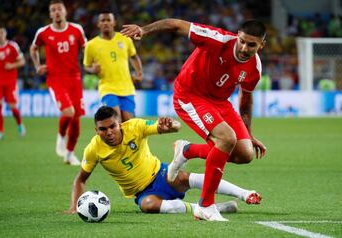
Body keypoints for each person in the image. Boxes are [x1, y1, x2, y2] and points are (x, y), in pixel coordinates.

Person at [121, 18, 267, 221]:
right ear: (237, 36)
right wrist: (143, 29)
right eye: (242, 41)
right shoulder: (217, 39)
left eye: (252, 44)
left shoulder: (254, 68)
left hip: (220, 102)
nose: (244, 48)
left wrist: (249, 134)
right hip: (190, 96)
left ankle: (187, 150)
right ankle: (205, 205)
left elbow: (246, 100)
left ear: (261, 45)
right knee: (226, 139)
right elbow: (175, 24)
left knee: (245, 154)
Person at [64, 106, 261, 218]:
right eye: (102, 129)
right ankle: (211, 208)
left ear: (119, 123)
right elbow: (80, 179)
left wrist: (171, 125)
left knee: (184, 177)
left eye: (112, 127)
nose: (108, 132)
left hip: (161, 174)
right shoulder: (93, 149)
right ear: (96, 130)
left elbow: (176, 126)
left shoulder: (135, 126)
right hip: (142, 193)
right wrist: (74, 206)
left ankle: (244, 193)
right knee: (148, 206)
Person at [30, 0, 87, 165]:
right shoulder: (43, 32)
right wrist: (37, 65)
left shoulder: (77, 29)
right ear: (50, 14)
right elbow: (33, 48)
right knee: (69, 112)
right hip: (55, 78)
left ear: (65, 12)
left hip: (75, 78)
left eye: (59, 9)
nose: (56, 12)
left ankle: (69, 154)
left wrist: (92, 63)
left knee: (76, 119)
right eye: (53, 10)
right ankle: (61, 136)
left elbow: (86, 47)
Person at [83, 11, 143, 122]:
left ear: (114, 23)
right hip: (107, 88)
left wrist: (139, 73)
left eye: (108, 20)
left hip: (127, 87)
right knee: (115, 120)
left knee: (128, 123)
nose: (105, 23)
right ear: (98, 24)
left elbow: (134, 56)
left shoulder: (125, 39)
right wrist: (92, 69)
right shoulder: (91, 45)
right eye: (102, 20)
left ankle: (130, 140)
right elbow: (86, 66)